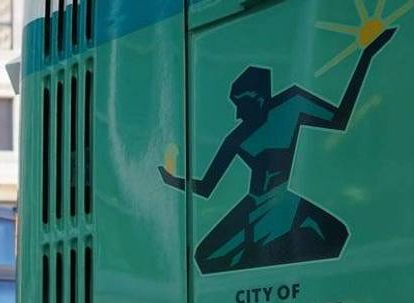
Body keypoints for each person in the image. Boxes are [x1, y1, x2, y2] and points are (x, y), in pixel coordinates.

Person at [160, 28, 397, 274]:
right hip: (252, 207)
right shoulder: (237, 137)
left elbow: (340, 118)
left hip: (284, 202)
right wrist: (172, 179)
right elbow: (207, 186)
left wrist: (366, 56)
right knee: (204, 257)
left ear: (260, 97)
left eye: (242, 104)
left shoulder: (293, 104)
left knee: (336, 235)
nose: (238, 114)